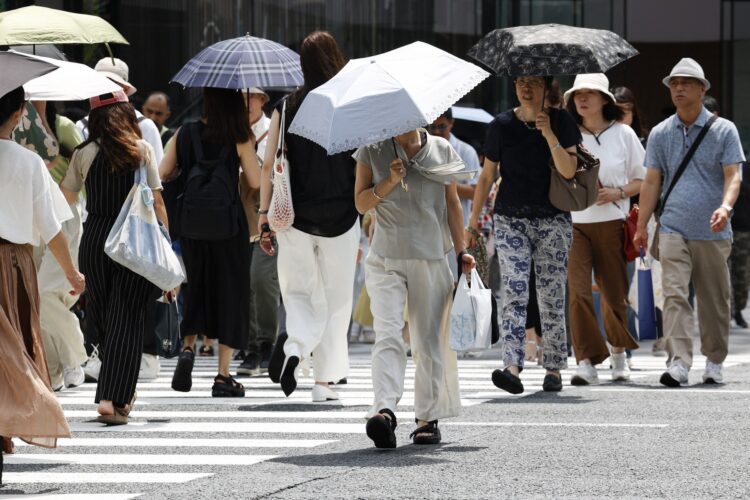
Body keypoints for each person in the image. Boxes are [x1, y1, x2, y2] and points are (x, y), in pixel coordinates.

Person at [354, 126, 475, 448]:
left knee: (428, 340)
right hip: (385, 257)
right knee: (388, 332)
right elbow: (361, 204)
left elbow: (452, 204)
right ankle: (384, 410)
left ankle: (427, 418)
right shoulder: (372, 149)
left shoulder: (441, 149)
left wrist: (462, 250)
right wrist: (390, 181)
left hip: (431, 255)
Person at [259, 31, 360, 402]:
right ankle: (323, 383)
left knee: (299, 292)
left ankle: (296, 349)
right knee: (336, 301)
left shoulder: (286, 106)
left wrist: (262, 214)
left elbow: (269, 163)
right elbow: (361, 163)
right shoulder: (348, 104)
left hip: (293, 216)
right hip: (342, 216)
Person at [634, 58, 745, 387]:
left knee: (714, 299)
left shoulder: (724, 130)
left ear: (703, 89)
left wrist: (725, 207)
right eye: (673, 83)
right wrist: (642, 226)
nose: (678, 88)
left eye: (686, 83)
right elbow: (651, 182)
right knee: (674, 295)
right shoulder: (660, 132)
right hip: (672, 227)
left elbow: (733, 175)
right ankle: (678, 362)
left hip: (712, 230)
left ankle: (714, 360)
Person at [467, 75, 580, 394]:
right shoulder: (501, 125)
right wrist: (473, 221)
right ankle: (512, 365)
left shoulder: (561, 121)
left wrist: (548, 134)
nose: (525, 88)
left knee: (551, 294)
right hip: (510, 218)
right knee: (514, 291)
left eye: (532, 82)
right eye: (520, 82)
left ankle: (554, 367)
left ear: (547, 87)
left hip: (553, 218)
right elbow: (488, 175)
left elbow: (569, 170)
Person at [61, 91, 166, 424]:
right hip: (132, 239)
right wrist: (165, 246)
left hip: (94, 239)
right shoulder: (141, 151)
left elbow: (65, 199)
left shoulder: (83, 152)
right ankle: (113, 398)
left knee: (104, 317)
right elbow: (159, 204)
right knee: (128, 316)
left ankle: (114, 392)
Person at [1, 85, 85, 464]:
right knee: (13, 349)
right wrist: (73, 273)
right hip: (13, 264)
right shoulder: (27, 161)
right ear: (20, 114)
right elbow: (50, 228)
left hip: (14, 262)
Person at [161, 88, 260, 397]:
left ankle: (188, 348)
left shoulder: (185, 133)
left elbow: (163, 172)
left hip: (192, 225)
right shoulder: (240, 135)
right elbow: (256, 181)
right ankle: (223, 375)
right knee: (231, 294)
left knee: (197, 287)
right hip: (229, 227)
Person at [76, 57, 165, 381]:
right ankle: (108, 365)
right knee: (115, 304)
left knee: (125, 302)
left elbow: (155, 184)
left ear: (125, 89)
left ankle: (144, 354)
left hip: (121, 225)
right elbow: (156, 193)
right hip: (104, 223)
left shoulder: (145, 129)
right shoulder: (84, 130)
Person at [563, 73, 645, 384]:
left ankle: (619, 352)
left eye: (590, 93)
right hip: (574, 224)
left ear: (604, 100)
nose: (582, 99)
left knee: (614, 295)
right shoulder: (566, 133)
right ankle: (585, 359)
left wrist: (619, 192)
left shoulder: (624, 133)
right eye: (578, 94)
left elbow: (644, 178)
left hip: (613, 221)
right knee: (579, 293)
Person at [38, 102, 88, 390]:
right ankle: (54, 369)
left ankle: (74, 354)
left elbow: (83, 171)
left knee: (48, 293)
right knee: (36, 297)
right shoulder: (13, 120)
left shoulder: (65, 127)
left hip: (63, 216)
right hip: (28, 220)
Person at [236, 87, 280, 376]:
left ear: (262, 100)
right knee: (242, 283)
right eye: (239, 98)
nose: (245, 103)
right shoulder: (232, 133)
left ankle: (265, 342)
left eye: (250, 97)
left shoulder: (273, 130)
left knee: (262, 278)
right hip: (237, 217)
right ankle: (249, 345)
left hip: (267, 215)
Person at [730, 161, 750, 329]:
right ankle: (728, 311)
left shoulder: (747, 168)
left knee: (742, 275)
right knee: (722, 274)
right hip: (721, 229)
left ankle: (738, 309)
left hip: (743, 230)